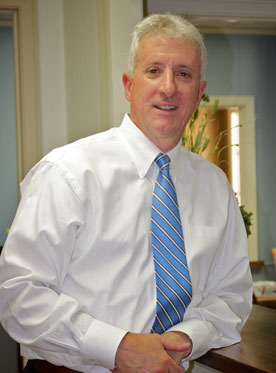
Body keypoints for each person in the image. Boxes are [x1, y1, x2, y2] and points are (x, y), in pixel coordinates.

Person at [0, 14, 252, 373]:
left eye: (183, 74)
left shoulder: (215, 187)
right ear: (129, 86)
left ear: (199, 92)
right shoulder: (67, 172)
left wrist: (186, 337)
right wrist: (118, 347)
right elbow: (18, 294)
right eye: (153, 71)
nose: (168, 87)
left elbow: (232, 297)